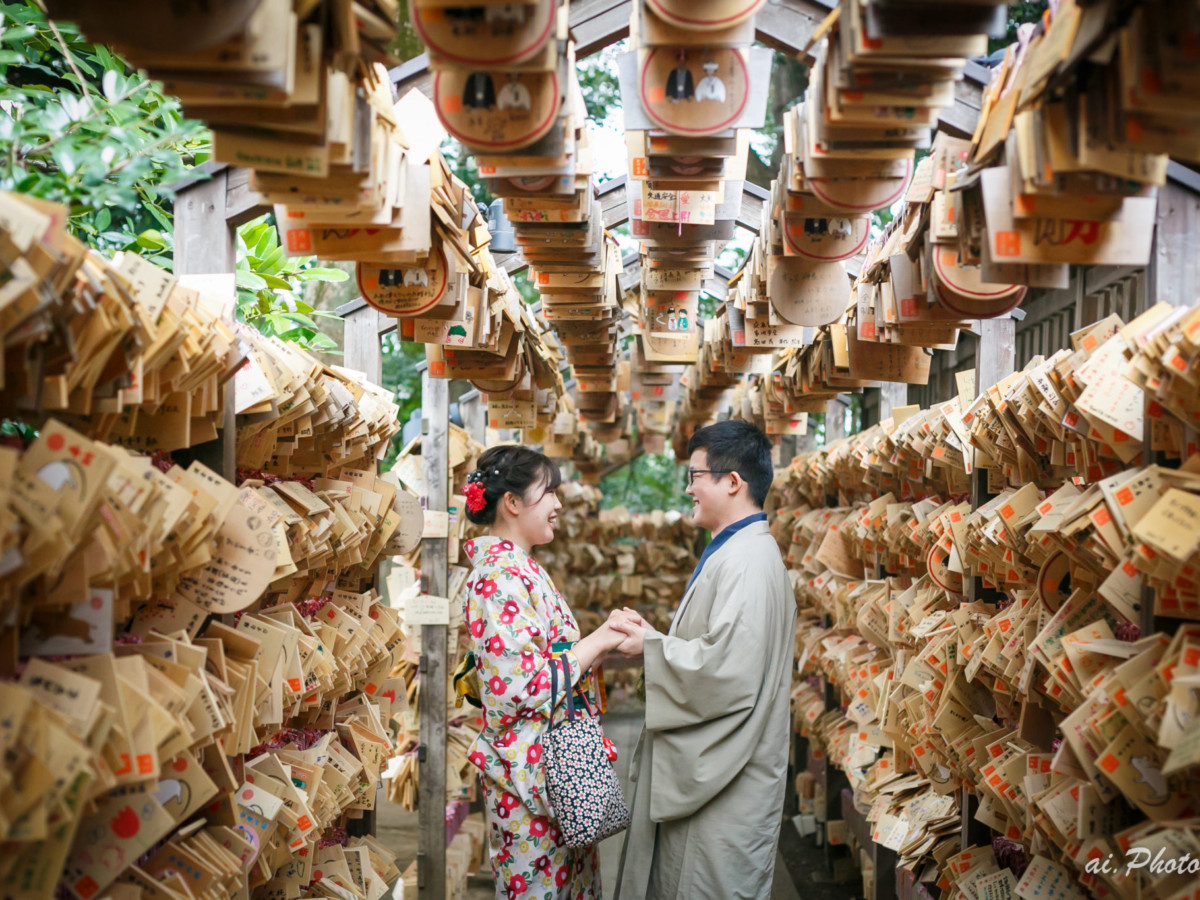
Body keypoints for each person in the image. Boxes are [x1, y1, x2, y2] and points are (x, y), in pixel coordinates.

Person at [610, 420, 797, 900]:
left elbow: (727, 671)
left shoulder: (749, 561)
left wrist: (653, 647)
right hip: (723, 775)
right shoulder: (737, 550)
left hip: (729, 786)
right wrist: (655, 639)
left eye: (695, 476)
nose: (689, 488)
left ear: (732, 482)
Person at [462, 445, 638, 900]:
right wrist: (597, 640)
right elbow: (518, 687)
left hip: (555, 763)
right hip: (527, 773)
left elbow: (550, 662)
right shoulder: (498, 576)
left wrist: (606, 641)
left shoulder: (520, 567)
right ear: (513, 503)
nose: (559, 505)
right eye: (549, 493)